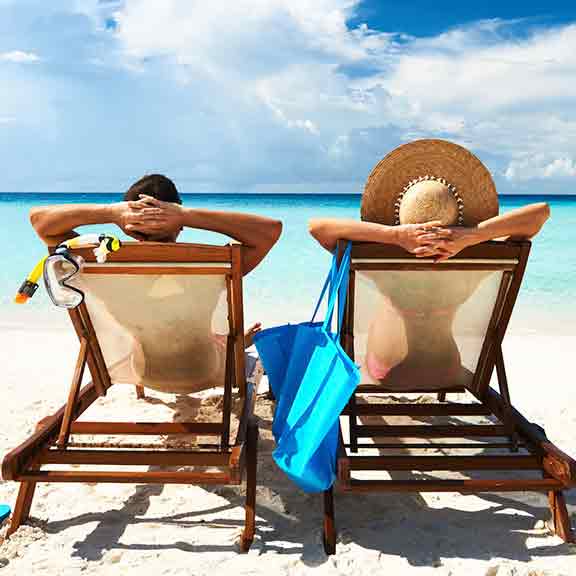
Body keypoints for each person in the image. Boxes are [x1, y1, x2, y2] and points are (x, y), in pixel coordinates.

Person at [307, 139, 550, 389]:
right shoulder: (474, 267)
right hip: (447, 371)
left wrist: (396, 237)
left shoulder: (380, 265)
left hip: (386, 373)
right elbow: (540, 213)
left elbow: (317, 227)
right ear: (458, 218)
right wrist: (469, 237)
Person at [30, 175, 283, 392]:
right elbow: (270, 232)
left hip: (145, 373)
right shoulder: (215, 266)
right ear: (178, 220)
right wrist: (185, 215)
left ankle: (228, 341)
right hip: (205, 371)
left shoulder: (101, 266)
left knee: (162, 325)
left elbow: (41, 223)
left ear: (128, 226)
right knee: (201, 332)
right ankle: (235, 343)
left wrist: (110, 213)